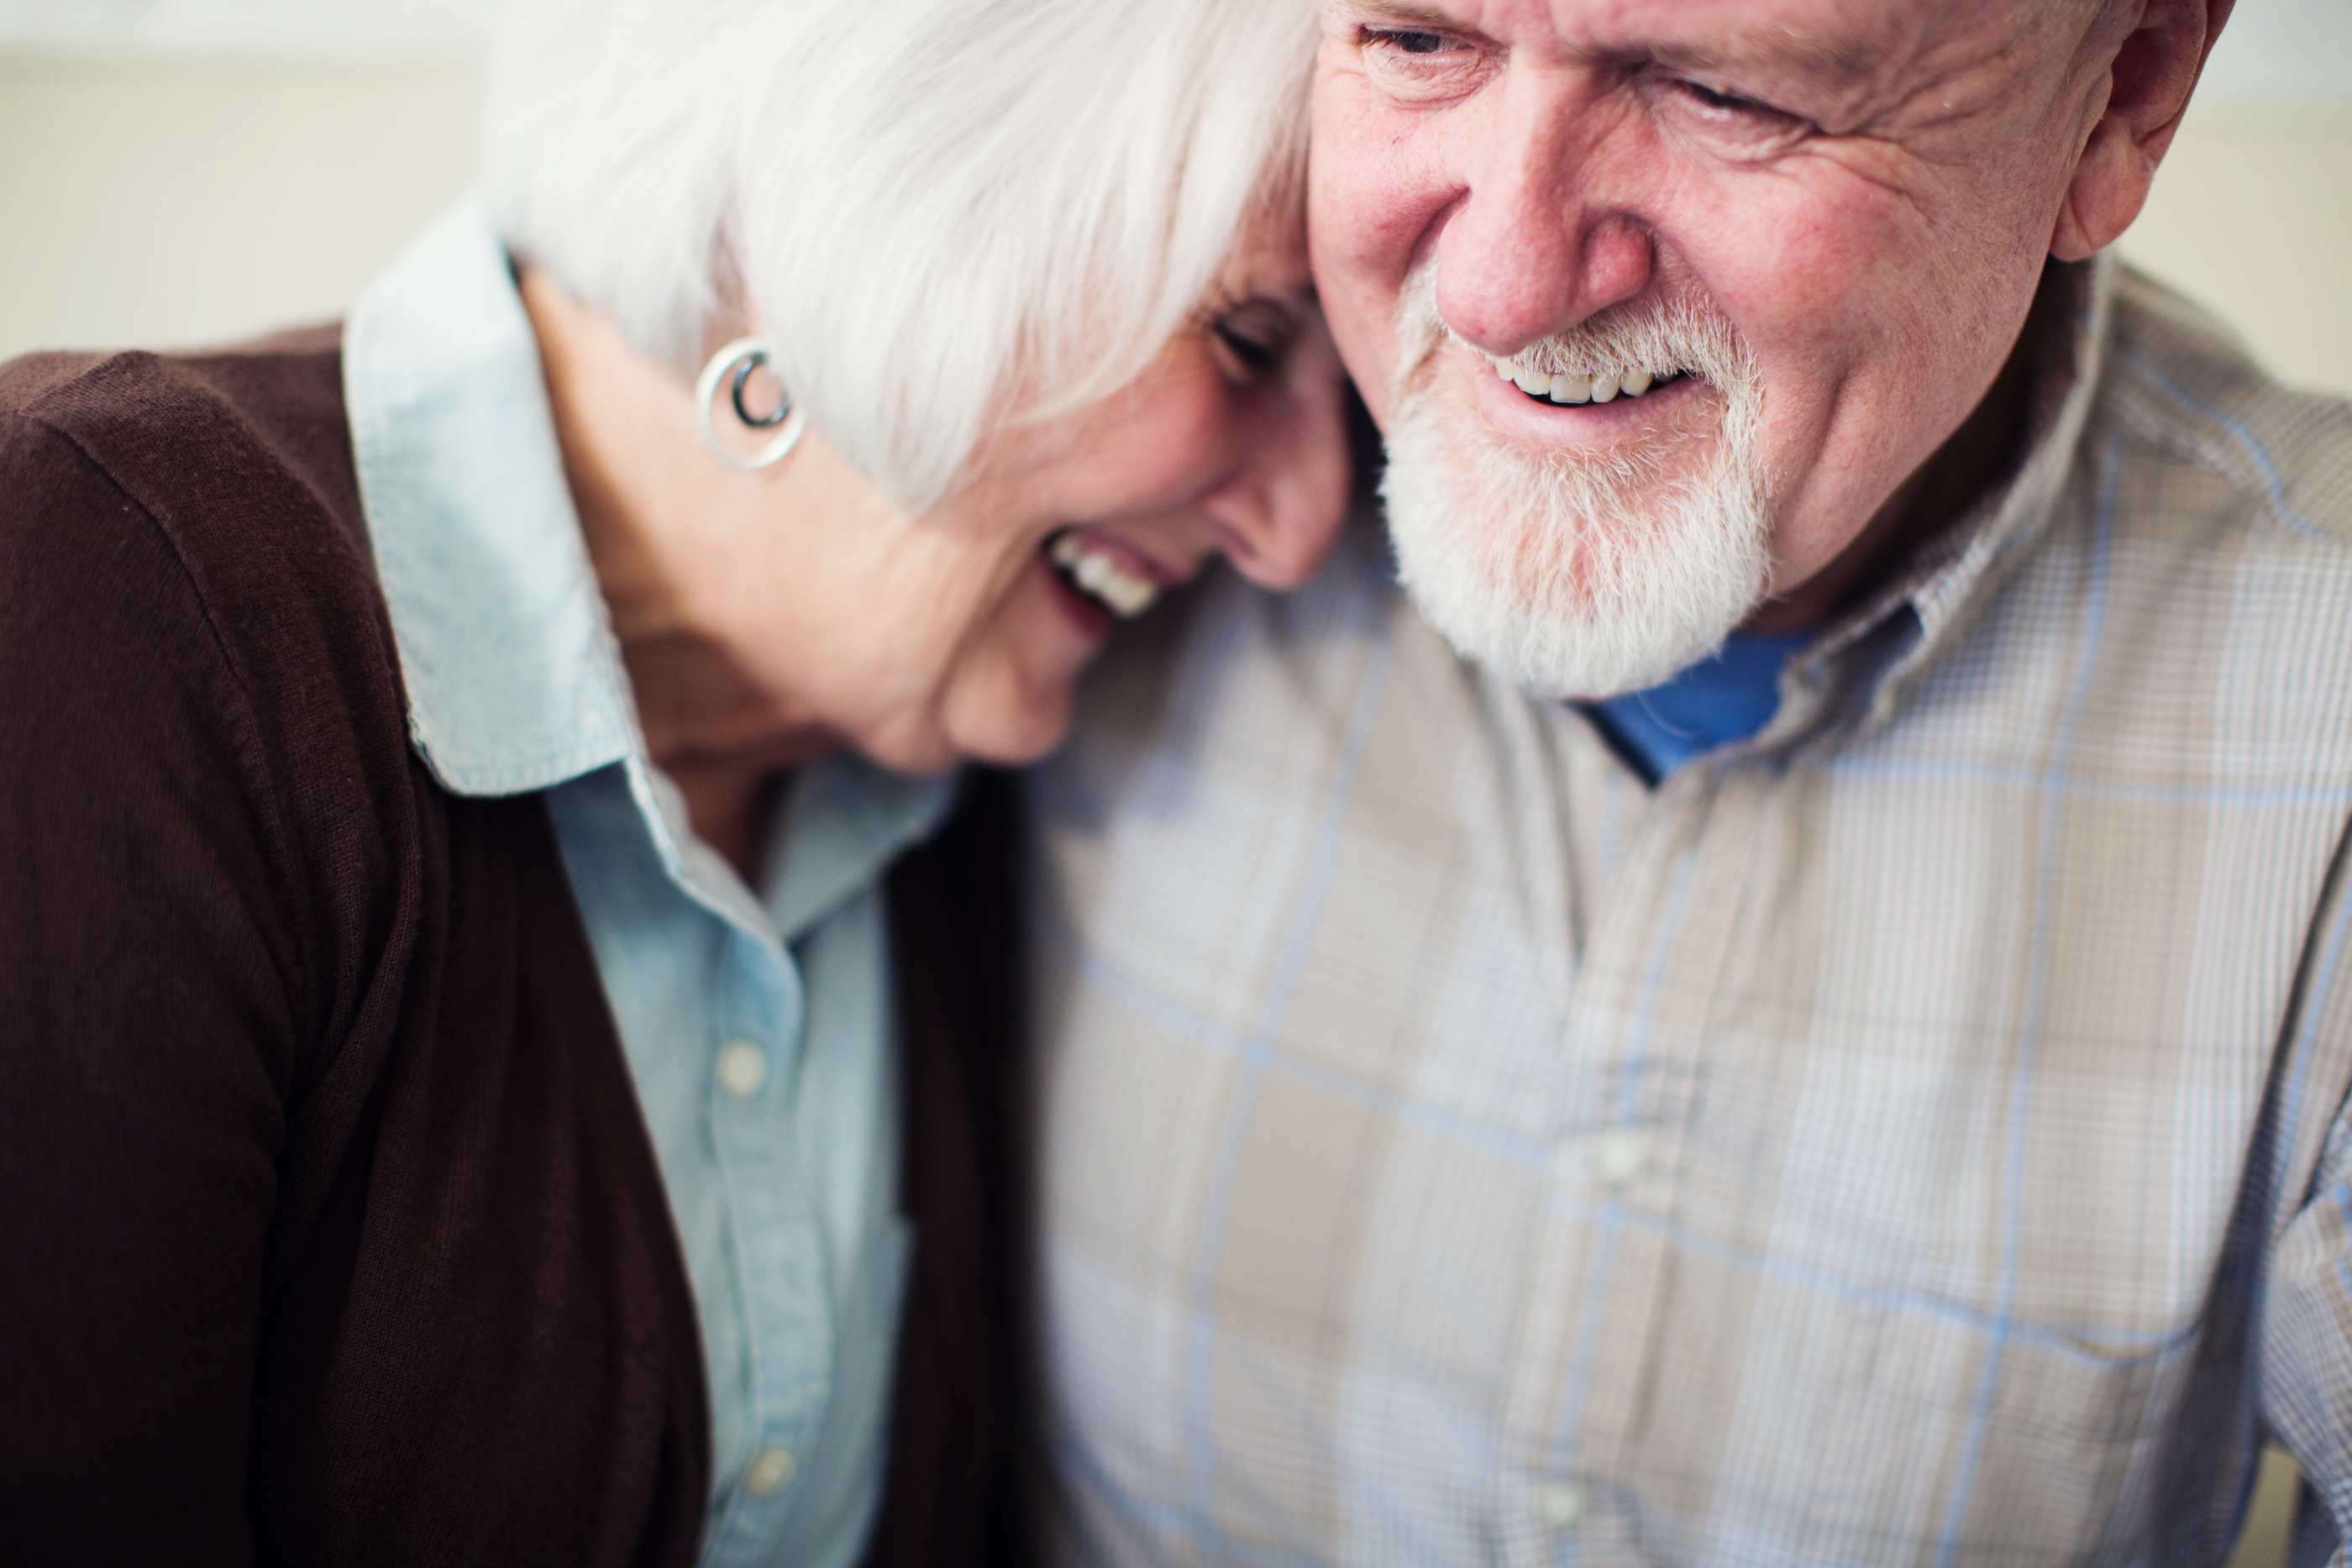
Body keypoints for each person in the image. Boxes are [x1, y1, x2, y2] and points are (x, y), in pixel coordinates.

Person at [0, 0, 1349, 1562]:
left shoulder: (957, 769)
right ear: (889, 195)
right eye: (1249, 337)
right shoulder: (106, 590)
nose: (1301, 530)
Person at [1029, 0, 2352, 1560]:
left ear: (2124, 91)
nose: (1504, 285)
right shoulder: (1110, 415)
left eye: (1723, 92)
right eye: (1414, 37)